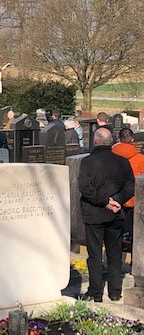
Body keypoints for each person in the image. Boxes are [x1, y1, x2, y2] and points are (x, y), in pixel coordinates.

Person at [79, 128, 134, 302]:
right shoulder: (123, 162)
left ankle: (96, 293)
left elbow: (85, 188)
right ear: (111, 142)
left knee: (95, 255)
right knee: (114, 254)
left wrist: (106, 202)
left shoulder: (87, 162)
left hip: (95, 214)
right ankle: (115, 292)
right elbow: (130, 186)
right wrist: (115, 201)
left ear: (95, 142)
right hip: (115, 213)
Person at [111, 127, 144, 240]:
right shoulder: (140, 158)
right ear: (132, 140)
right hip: (134, 199)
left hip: (114, 198)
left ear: (119, 139)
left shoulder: (111, 155)